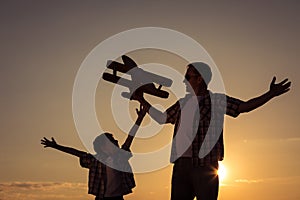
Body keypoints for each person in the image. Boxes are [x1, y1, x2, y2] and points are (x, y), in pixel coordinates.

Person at [132, 62, 291, 200]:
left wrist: (271, 94)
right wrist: (141, 99)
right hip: (181, 165)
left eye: (188, 77)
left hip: (205, 166)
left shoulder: (217, 101)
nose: (184, 80)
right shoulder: (183, 103)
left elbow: (244, 107)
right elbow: (162, 118)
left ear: (199, 79)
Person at [41, 105, 147, 200]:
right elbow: (76, 152)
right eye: (112, 141)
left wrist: (139, 118)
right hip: (101, 198)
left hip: (118, 198)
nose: (116, 142)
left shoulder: (120, 156)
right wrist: (56, 146)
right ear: (103, 147)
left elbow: (130, 137)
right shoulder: (95, 160)